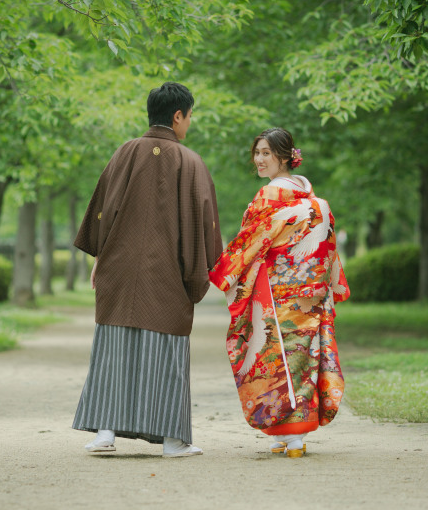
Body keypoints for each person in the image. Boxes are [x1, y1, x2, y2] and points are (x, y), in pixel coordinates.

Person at [72, 82, 222, 458]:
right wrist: (201, 271)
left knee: (114, 348)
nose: (190, 122)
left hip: (119, 268)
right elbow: (204, 222)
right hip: (168, 272)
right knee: (166, 351)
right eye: (189, 115)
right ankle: (172, 441)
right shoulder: (190, 162)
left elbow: (102, 212)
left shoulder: (124, 153)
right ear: (177, 116)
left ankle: (104, 432)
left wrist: (100, 261)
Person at [208, 128, 350, 458]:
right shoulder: (311, 194)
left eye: (266, 154)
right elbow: (325, 243)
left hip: (276, 290)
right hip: (311, 291)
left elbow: (250, 240)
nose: (259, 159)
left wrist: (222, 272)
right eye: (256, 152)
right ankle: (289, 434)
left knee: (275, 357)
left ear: (284, 157)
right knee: (303, 356)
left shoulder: (270, 195)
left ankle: (287, 432)